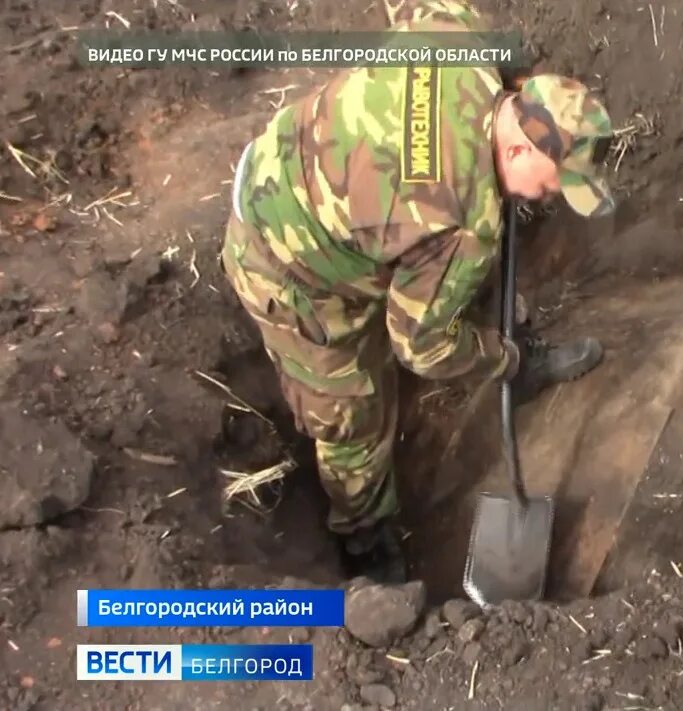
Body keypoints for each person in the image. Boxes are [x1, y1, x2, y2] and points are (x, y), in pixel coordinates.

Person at [219, 0, 616, 584]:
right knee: (354, 411)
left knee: (451, 283)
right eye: (552, 184)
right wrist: (497, 357)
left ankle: (516, 355)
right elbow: (422, 348)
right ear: (515, 149)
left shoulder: (462, 42)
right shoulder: (461, 223)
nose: (549, 198)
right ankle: (365, 542)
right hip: (287, 260)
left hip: (315, 175)